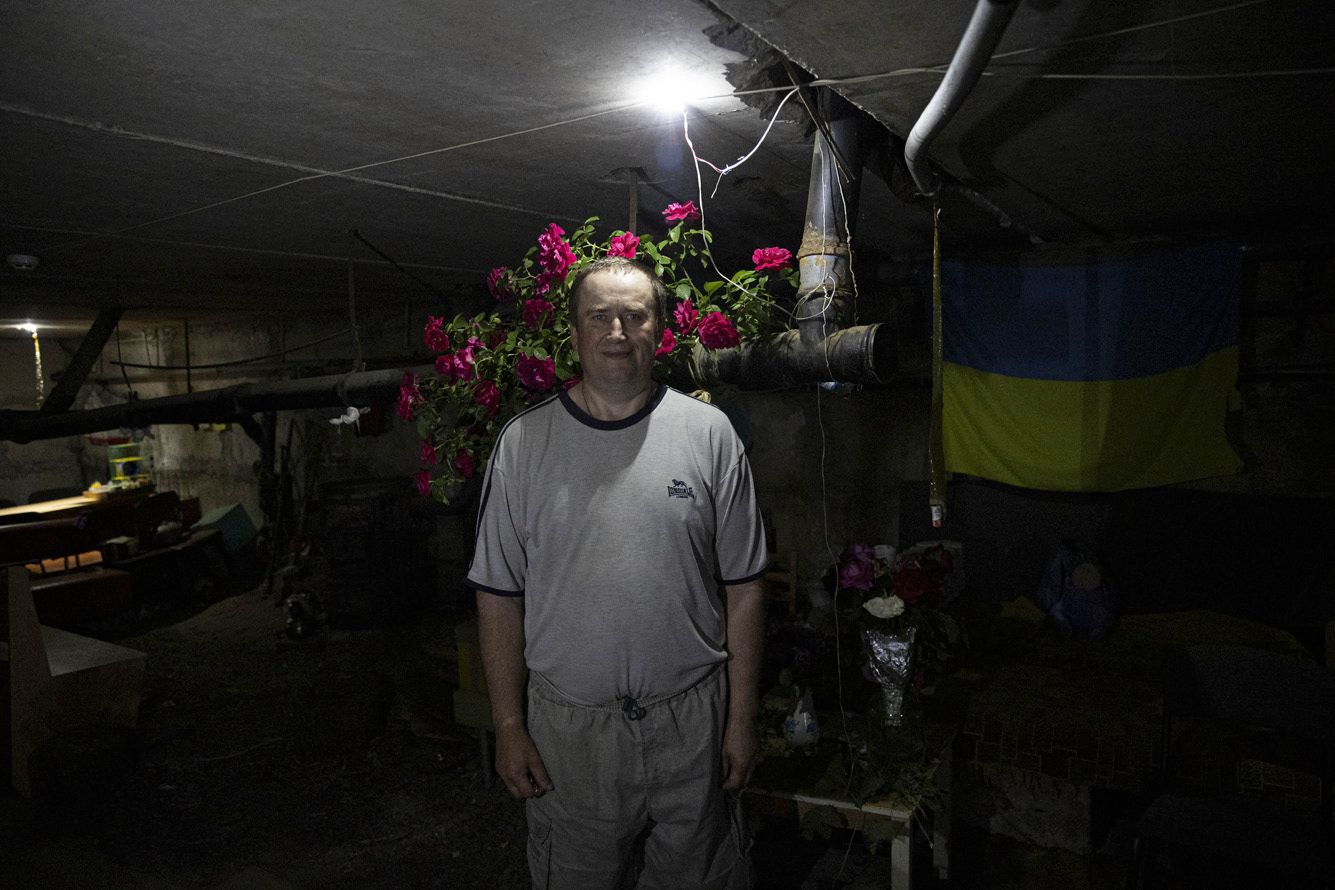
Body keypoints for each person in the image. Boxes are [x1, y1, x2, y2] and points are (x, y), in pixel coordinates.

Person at [468, 256, 768, 890]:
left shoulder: (709, 435)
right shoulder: (524, 444)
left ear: (660, 330)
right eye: (599, 315)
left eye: (635, 316)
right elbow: (497, 598)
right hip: (571, 737)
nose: (617, 332)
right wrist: (509, 726)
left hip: (692, 726)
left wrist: (740, 719)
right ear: (574, 331)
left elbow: (744, 589)